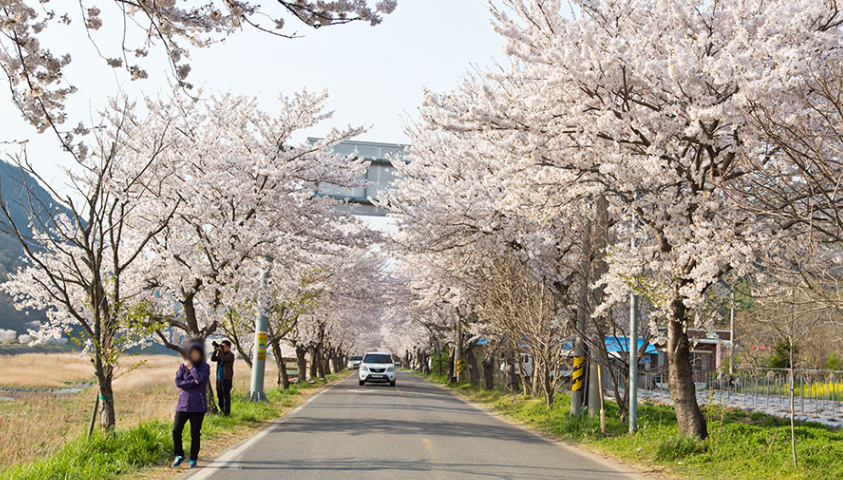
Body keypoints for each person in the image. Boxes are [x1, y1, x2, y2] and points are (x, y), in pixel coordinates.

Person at [172, 340, 210, 469]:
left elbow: (199, 378)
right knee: (176, 430)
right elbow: (178, 382)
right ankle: (179, 454)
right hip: (182, 404)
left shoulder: (205, 367)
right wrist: (192, 383)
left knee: (195, 433)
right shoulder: (182, 366)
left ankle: (193, 458)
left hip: (198, 405)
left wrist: (190, 368)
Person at [211, 339, 235, 416]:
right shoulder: (220, 355)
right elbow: (212, 359)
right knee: (219, 395)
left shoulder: (230, 355)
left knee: (226, 396)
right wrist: (216, 350)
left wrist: (220, 351)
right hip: (219, 378)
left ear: (228, 347)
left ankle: (227, 413)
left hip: (226, 379)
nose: (222, 348)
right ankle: (222, 410)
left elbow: (224, 359)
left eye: (223, 346)